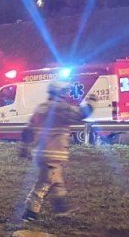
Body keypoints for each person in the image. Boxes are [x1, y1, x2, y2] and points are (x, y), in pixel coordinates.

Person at [19, 79, 82, 219]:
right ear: (60, 92)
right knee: (45, 182)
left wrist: (24, 147)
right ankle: (30, 213)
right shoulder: (61, 108)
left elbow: (28, 130)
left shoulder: (41, 107)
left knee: (57, 183)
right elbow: (80, 115)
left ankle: (62, 211)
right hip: (53, 153)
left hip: (41, 152)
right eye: (65, 91)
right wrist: (92, 101)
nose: (67, 94)